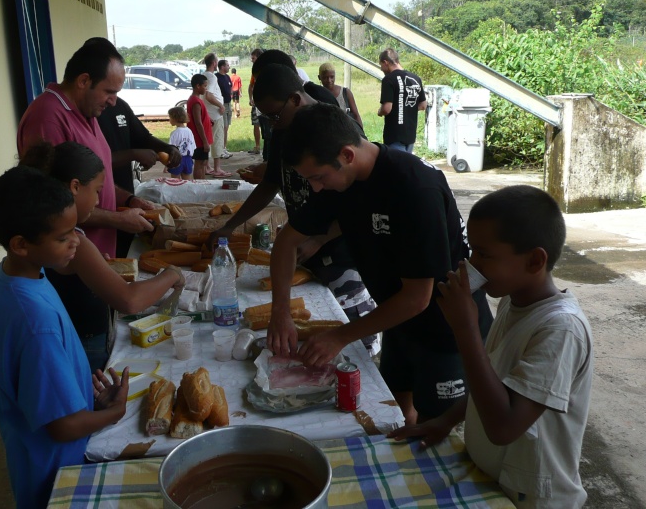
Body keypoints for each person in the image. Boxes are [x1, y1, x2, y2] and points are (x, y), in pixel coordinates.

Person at [273, 104, 493, 424]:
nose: (316, 188)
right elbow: (286, 241)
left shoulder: (414, 187)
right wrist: (280, 310)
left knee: (437, 429)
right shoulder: (341, 180)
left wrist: (340, 336)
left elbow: (419, 296)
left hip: (444, 330)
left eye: (318, 177)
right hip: (395, 319)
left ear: (347, 154)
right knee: (394, 409)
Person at [391, 186, 593, 508]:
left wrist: (466, 329)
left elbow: (503, 427)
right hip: (495, 480)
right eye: (472, 252)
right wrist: (445, 420)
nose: (471, 265)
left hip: (533, 496)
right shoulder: (514, 303)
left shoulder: (561, 329)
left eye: (484, 255)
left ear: (534, 260)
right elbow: (498, 380)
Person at [0, 165, 131, 509]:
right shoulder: (36, 322)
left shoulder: (16, 275)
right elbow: (62, 428)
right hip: (55, 472)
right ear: (21, 244)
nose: (76, 241)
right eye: (63, 238)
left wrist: (84, 398)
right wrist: (115, 413)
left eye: (74, 230)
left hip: (39, 445)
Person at [210, 64, 380, 355]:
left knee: (355, 342)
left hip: (342, 254)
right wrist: (231, 225)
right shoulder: (284, 130)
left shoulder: (335, 128)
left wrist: (319, 239)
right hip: (305, 247)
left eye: (275, 115)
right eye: (267, 118)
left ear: (295, 99)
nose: (273, 123)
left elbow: (361, 202)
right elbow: (270, 184)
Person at [17, 38, 155, 364]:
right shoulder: (48, 117)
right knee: (84, 359)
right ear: (83, 81)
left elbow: (98, 181)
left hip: (96, 262)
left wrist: (130, 199)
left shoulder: (87, 114)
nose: (113, 101)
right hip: (70, 268)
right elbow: (54, 206)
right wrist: (119, 220)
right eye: (109, 92)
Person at [19, 141, 185, 368]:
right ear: (75, 187)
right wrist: (171, 274)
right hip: (87, 345)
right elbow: (130, 300)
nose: (98, 201)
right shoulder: (75, 242)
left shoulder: (44, 232)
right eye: (97, 191)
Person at [97, 96, 181, 257]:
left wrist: (167, 148)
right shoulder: (87, 112)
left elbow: (142, 137)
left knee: (126, 251)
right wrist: (133, 154)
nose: (113, 99)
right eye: (109, 90)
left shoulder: (119, 105)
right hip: (98, 204)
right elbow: (94, 162)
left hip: (125, 195)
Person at [377, 48, 427, 153]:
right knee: (406, 166)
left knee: (396, 168)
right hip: (410, 135)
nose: (381, 69)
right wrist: (407, 108)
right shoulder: (415, 78)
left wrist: (379, 112)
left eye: (381, 65)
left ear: (386, 63)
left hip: (394, 135)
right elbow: (423, 105)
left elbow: (387, 109)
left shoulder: (388, 79)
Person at [202, 52, 231, 176]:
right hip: (215, 114)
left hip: (207, 114)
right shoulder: (212, 77)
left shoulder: (203, 75)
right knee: (217, 140)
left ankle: (207, 166)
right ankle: (217, 168)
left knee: (207, 140)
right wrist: (220, 105)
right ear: (214, 63)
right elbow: (208, 95)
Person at [318, 61, 364, 130]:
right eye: (325, 77)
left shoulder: (345, 93)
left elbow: (356, 114)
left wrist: (361, 134)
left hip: (346, 132)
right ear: (319, 77)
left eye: (332, 77)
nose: (329, 80)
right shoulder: (317, 94)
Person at [187, 74, 213, 180]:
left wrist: (208, 120)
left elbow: (200, 118)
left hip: (201, 138)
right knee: (200, 163)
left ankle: (202, 184)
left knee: (203, 164)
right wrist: (205, 142)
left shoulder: (196, 100)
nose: (206, 88)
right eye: (205, 86)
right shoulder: (195, 101)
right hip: (200, 140)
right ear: (198, 86)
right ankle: (199, 185)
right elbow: (198, 123)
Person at [166, 106, 195, 180]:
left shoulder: (175, 133)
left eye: (170, 118)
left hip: (177, 160)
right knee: (187, 182)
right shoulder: (189, 131)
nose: (169, 120)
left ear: (175, 118)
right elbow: (193, 146)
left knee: (175, 182)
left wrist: (167, 164)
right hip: (188, 159)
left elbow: (171, 150)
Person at [215, 58, 234, 157]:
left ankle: (224, 148)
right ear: (222, 67)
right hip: (221, 105)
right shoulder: (216, 77)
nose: (229, 67)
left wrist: (230, 93)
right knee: (223, 127)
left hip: (228, 104)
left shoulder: (227, 76)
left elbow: (231, 86)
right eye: (227, 65)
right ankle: (220, 150)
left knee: (226, 127)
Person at [247, 48, 263, 155]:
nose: (251, 60)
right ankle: (257, 146)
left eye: (253, 58)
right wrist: (251, 98)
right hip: (257, 102)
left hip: (264, 102)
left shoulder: (264, 69)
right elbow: (251, 85)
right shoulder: (254, 71)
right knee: (256, 124)